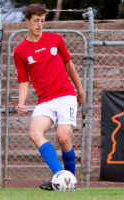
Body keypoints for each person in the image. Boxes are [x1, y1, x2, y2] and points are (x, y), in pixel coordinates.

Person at [13, 4, 84, 190]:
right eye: (36, 21)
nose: (39, 25)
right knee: (34, 133)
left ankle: (68, 181)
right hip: (44, 100)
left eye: (42, 21)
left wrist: (80, 89)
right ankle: (62, 177)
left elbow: (69, 65)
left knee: (62, 137)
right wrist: (21, 102)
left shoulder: (56, 39)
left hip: (65, 94)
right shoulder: (20, 51)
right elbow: (23, 81)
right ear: (27, 21)